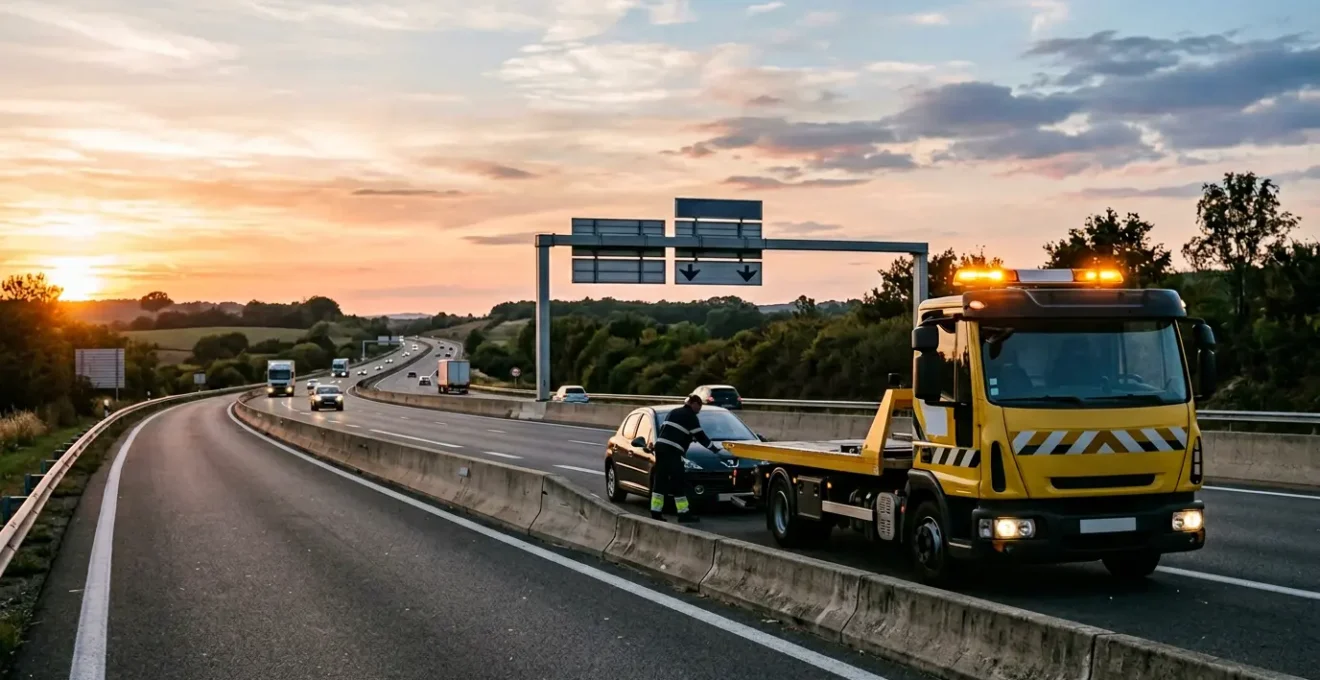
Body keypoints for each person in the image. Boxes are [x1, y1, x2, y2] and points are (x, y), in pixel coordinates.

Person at [650, 394, 720, 523]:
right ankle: (683, 513)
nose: (699, 411)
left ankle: (655, 512)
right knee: (678, 481)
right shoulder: (690, 416)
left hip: (660, 448)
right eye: (699, 407)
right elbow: (700, 436)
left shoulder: (674, 412)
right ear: (694, 404)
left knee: (660, 480)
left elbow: (672, 431)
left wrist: (686, 437)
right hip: (673, 451)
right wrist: (714, 449)